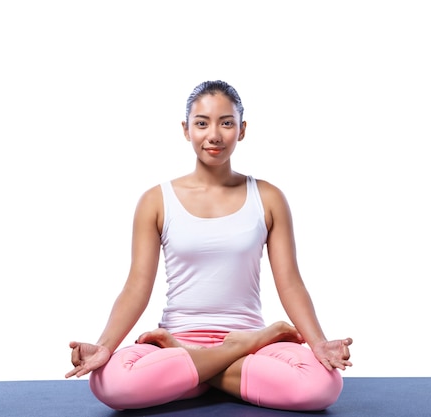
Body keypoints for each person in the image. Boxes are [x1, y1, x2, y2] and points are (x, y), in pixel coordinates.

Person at [65, 80, 353, 411]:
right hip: (185, 341)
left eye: (226, 122)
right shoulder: (157, 201)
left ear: (241, 129)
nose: (213, 135)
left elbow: (290, 283)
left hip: (247, 344)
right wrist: (104, 345)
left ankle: (196, 370)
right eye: (201, 123)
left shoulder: (268, 197)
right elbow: (135, 287)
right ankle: (225, 356)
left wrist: (318, 343)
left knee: (322, 386)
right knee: (109, 382)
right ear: (186, 129)